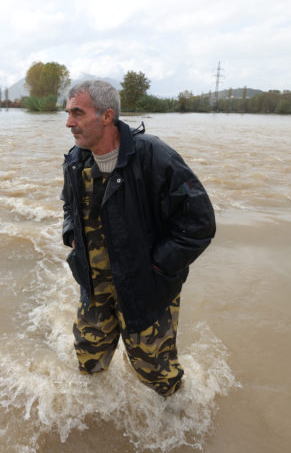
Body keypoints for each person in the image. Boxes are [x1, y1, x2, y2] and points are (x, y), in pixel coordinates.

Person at [61, 79, 216, 397]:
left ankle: (176, 422)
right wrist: (71, 235)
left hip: (145, 289)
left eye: (77, 113)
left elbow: (199, 221)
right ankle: (94, 419)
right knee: (89, 360)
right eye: (68, 113)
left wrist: (157, 269)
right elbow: (68, 204)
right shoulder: (76, 160)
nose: (69, 122)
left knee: (155, 371)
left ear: (106, 116)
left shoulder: (157, 158)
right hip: (93, 284)